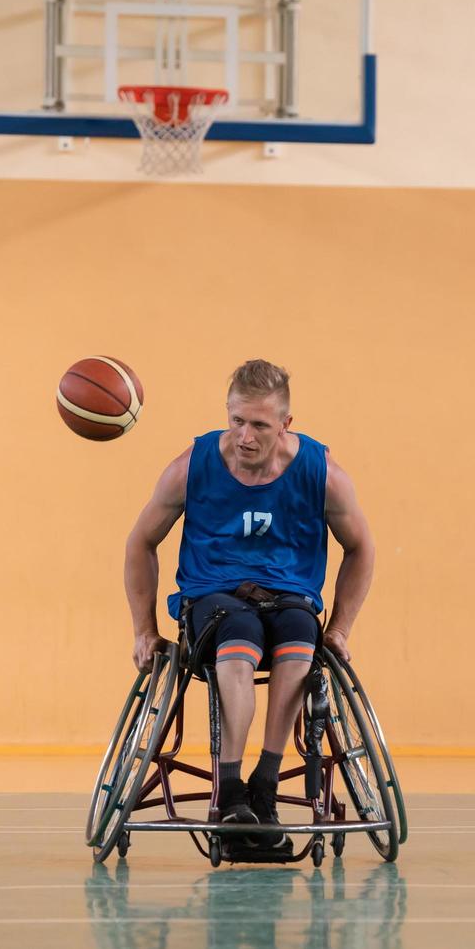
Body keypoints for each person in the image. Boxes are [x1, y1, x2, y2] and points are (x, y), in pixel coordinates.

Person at [124, 358, 375, 852]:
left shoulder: (322, 475)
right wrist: (144, 629)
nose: (244, 435)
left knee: (299, 643)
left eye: (259, 424)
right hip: (213, 595)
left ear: (285, 425)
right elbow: (140, 543)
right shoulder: (190, 467)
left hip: (289, 596)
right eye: (236, 420)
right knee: (239, 638)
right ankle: (231, 788)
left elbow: (362, 547)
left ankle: (266, 781)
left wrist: (341, 628)